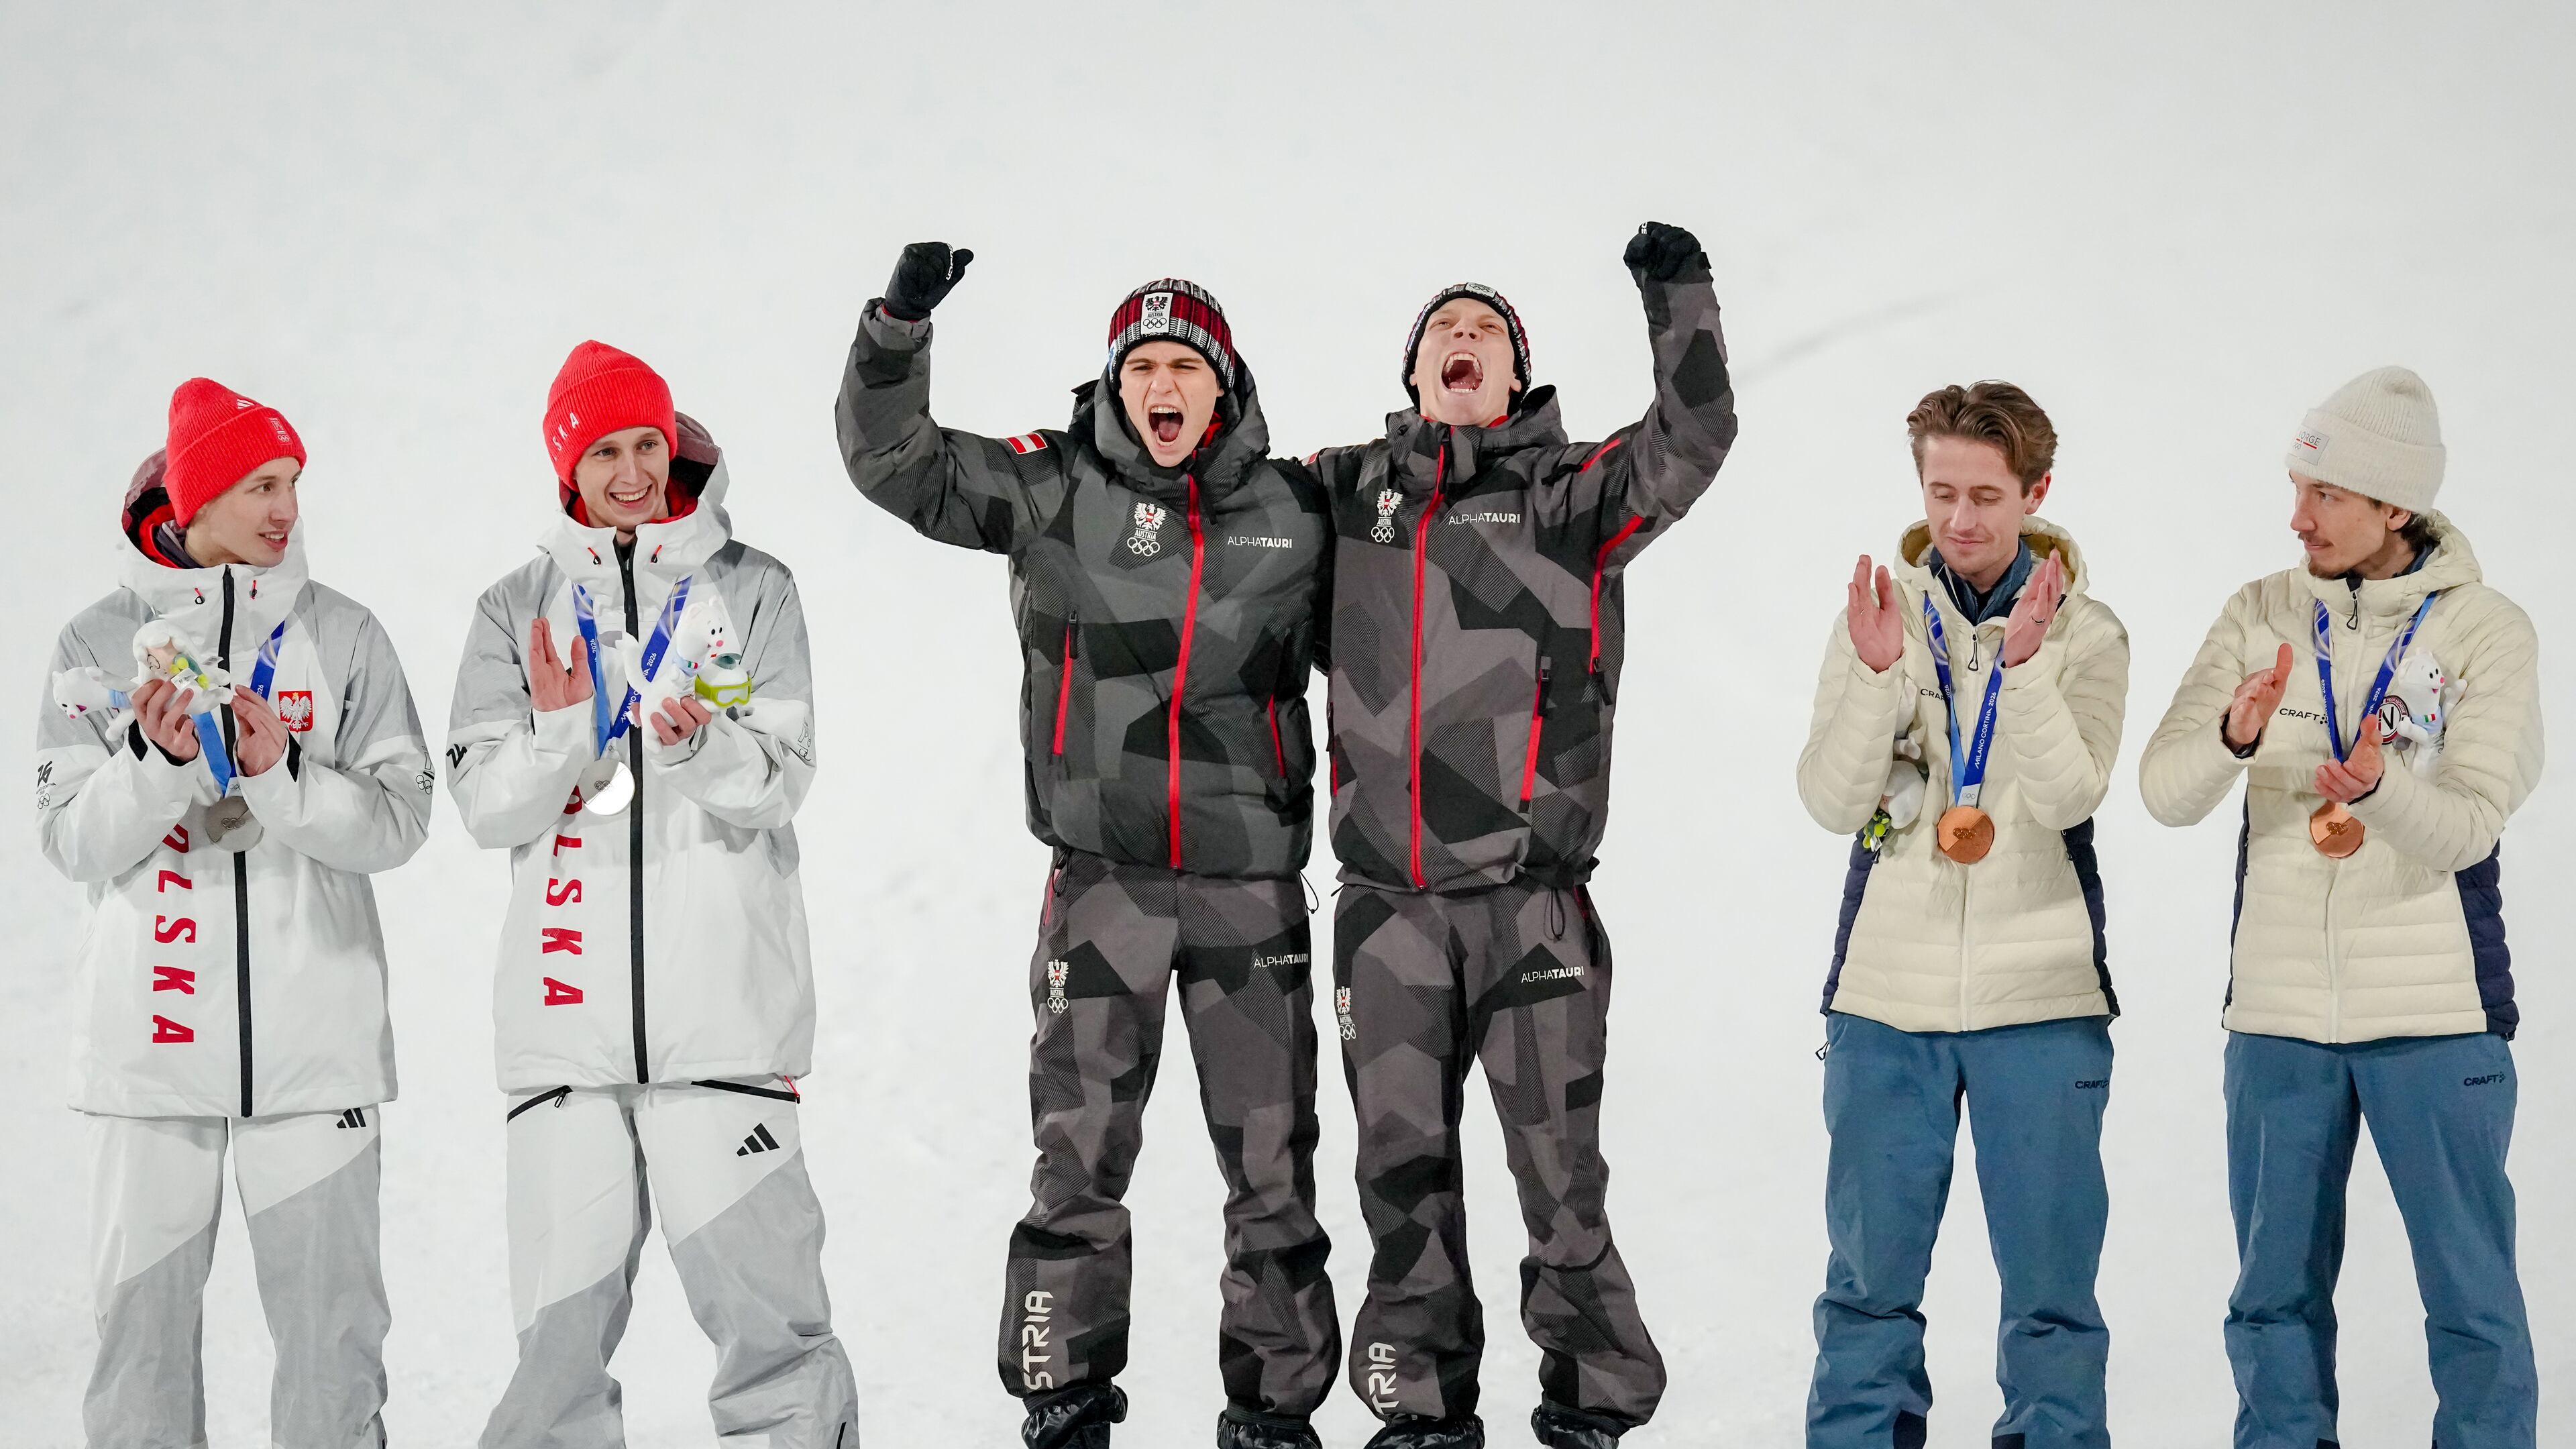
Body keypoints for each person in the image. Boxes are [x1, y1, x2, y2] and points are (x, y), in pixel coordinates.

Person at [836, 247, 1339, 1449]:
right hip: (1105, 884)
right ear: (1116, 385)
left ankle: (1274, 1414)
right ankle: (1063, 1401)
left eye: (1186, 367)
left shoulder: (1294, 513)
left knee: (1271, 1168)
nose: (1163, 386)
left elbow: (1408, 625)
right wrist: (896, 332)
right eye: (1143, 366)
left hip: (1249, 897)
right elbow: (893, 463)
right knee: (1078, 1160)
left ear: (1225, 385)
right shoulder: (1053, 488)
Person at [1303, 222, 1734, 1449]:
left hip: (1532, 904)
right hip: (1386, 909)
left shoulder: (1574, 493)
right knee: (1402, 1179)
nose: (1462, 341)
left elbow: (1695, 437)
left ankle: (1593, 1403)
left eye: (1484, 331)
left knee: (1558, 1179)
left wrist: (1679, 295)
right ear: (1414, 374)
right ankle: (1420, 1409)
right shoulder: (1344, 494)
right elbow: (1220, 510)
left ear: (1516, 373)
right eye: (1443, 329)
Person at [449, 341, 857, 1448]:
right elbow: (485, 808)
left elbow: (784, 782)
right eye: (606, 452)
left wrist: (697, 747)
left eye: (648, 445)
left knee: (775, 1341)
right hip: (565, 1048)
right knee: (554, 1369)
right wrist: (560, 732)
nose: (632, 472)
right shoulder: (512, 609)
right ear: (566, 468)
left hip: (724, 1029)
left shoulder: (755, 587)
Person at [2139, 367, 2541, 1449]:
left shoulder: (2487, 631)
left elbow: (2470, 829)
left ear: (2395, 507)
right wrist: (2232, 732)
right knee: (2271, 1303)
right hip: (2277, 1023)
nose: (2297, 516)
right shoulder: (2260, 611)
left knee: (2472, 1307)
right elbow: (2164, 793)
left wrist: (2379, 789)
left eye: (2326, 495)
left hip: (2437, 1019)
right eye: (2296, 486)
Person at [37, 379, 432, 1447]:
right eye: (260, 484)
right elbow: (70, 838)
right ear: (195, 499)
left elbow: (400, 822)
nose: (285, 510)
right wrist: (158, 764)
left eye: (292, 484)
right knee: (141, 1355)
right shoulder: (94, 641)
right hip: (150, 1055)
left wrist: (284, 771)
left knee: (334, 1350)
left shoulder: (345, 636)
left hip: (316, 1057)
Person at [1794, 382, 2129, 1449]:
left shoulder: (2090, 633)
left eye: (1986, 495)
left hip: (2044, 1000)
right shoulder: (1879, 617)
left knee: (2052, 1299)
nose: (1961, 520)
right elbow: (1832, 801)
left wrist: (2024, 673)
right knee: (1867, 1289)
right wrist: (1881, 672)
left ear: (2036, 491)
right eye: (1942, 493)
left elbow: (2074, 794)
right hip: (1887, 1003)